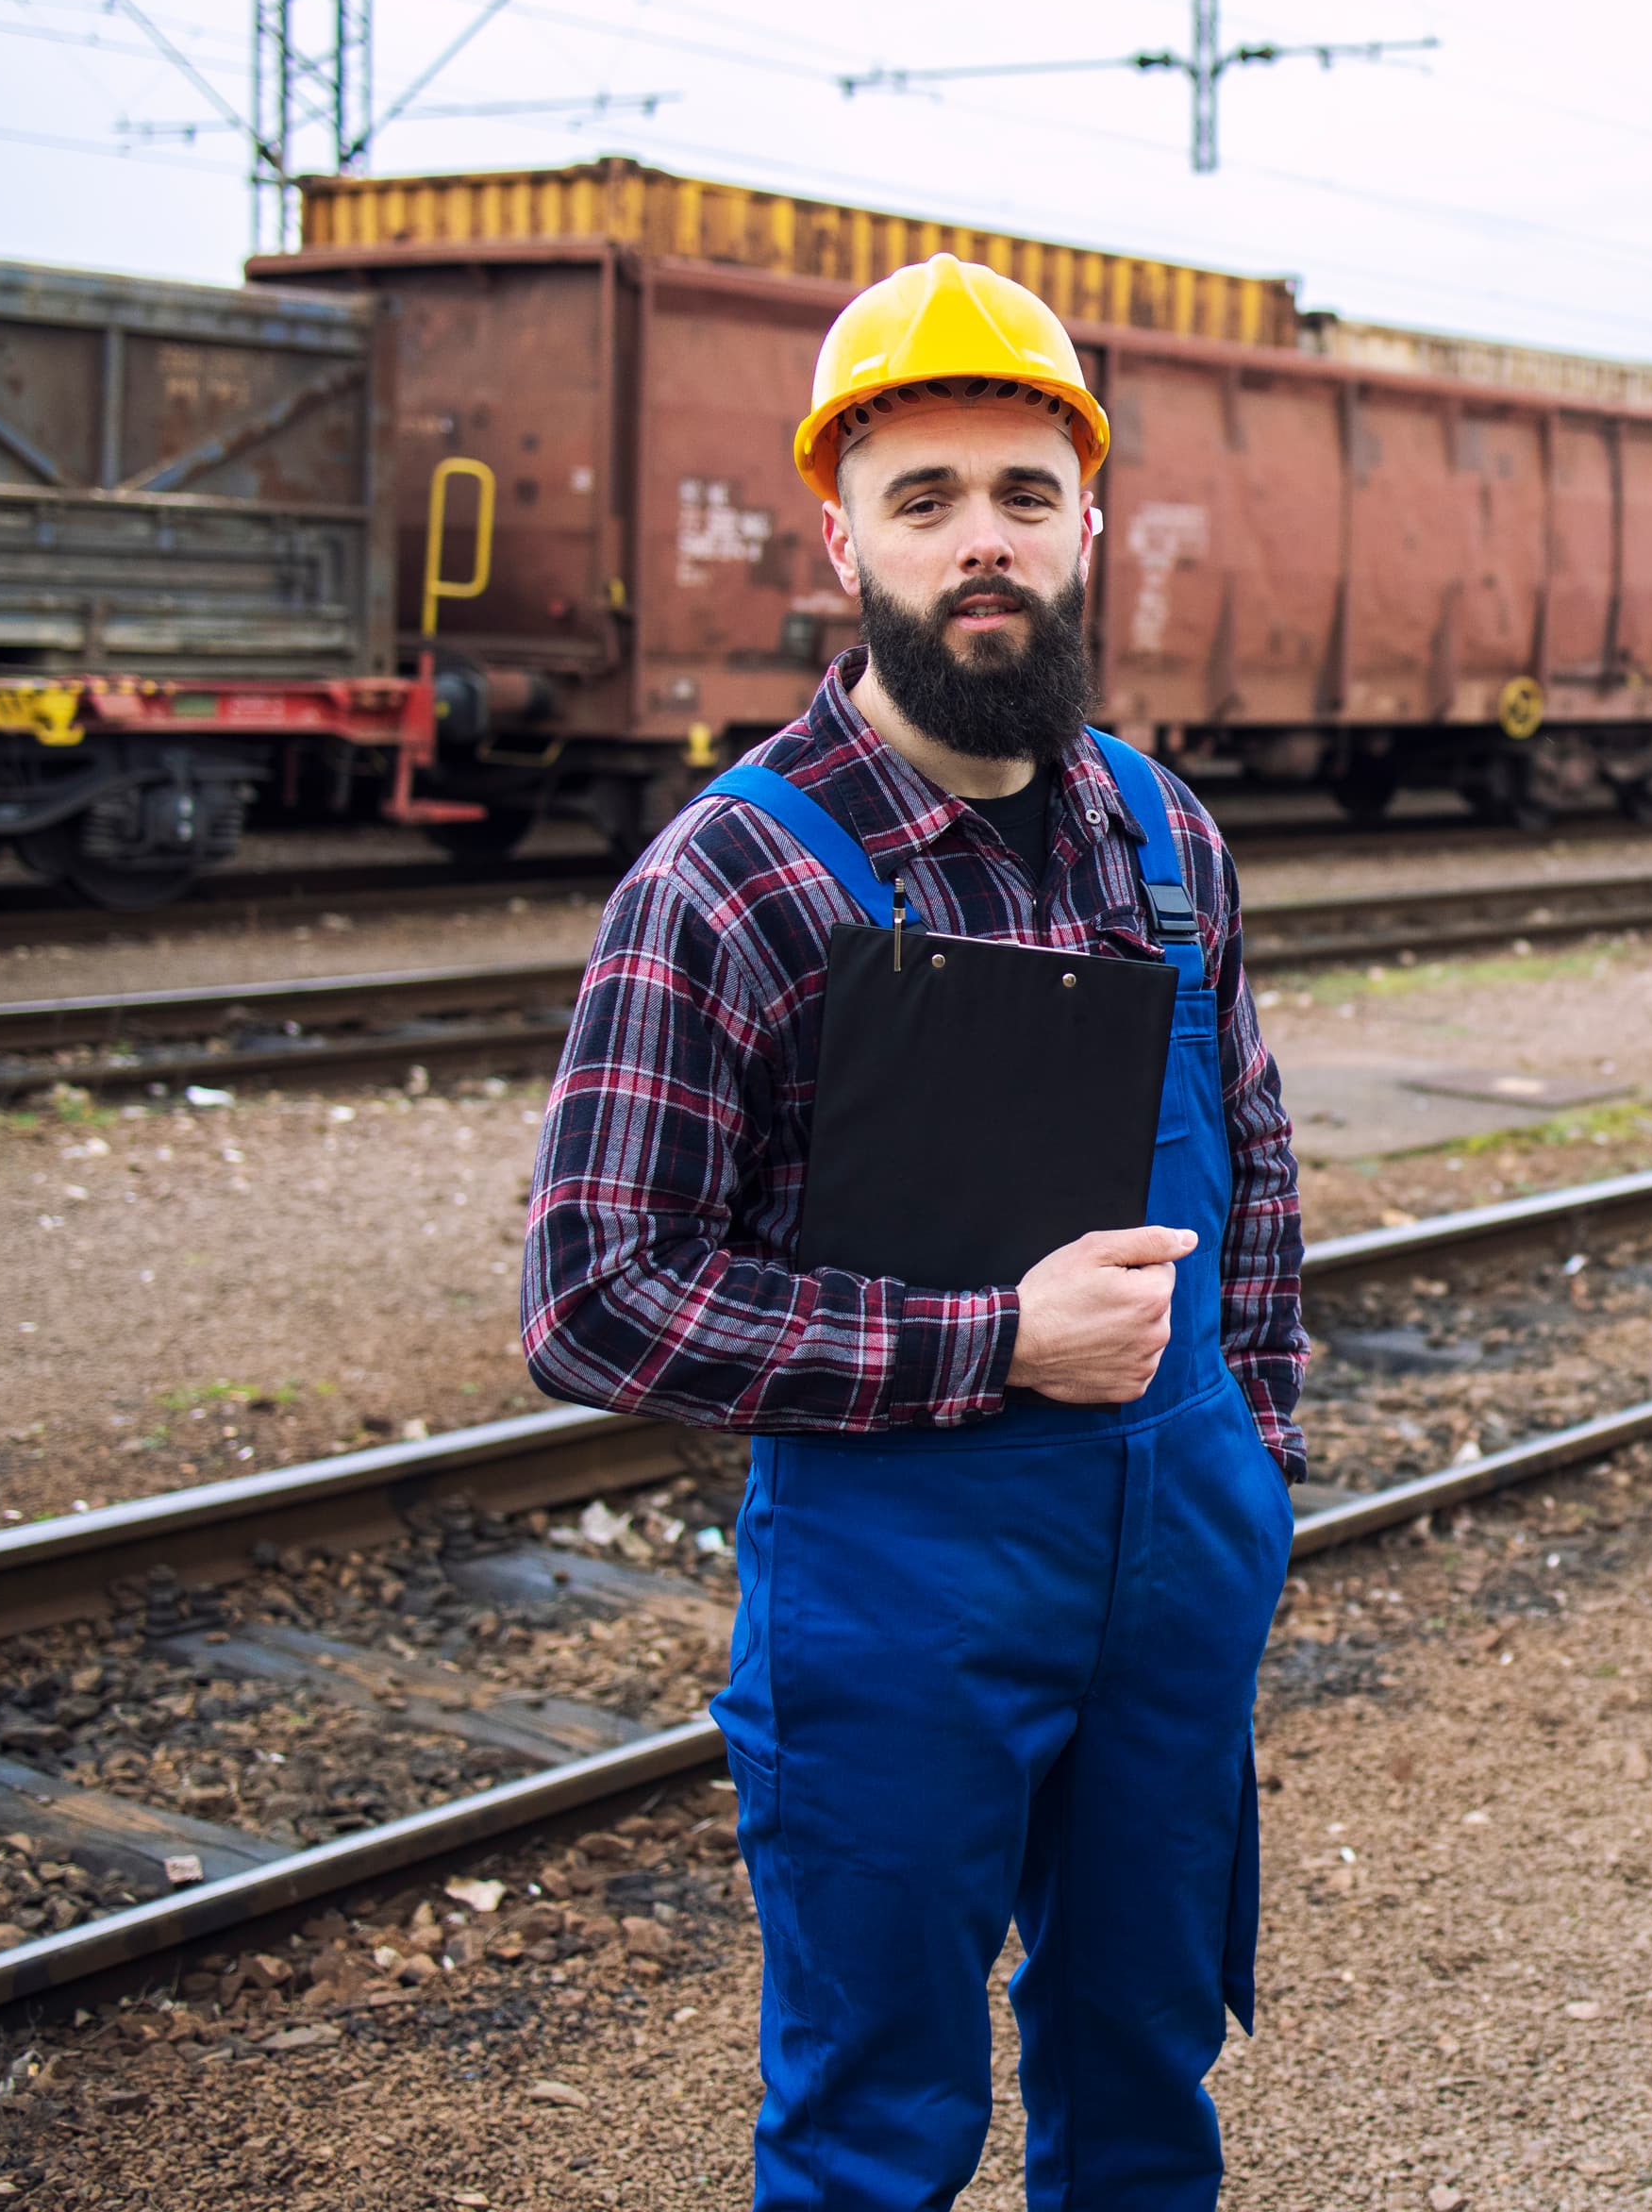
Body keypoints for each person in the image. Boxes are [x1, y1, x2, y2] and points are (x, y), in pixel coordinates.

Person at [519, 252, 1306, 2212]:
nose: (984, 544)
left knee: (1146, 2071)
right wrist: (991, 1344)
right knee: (877, 2125)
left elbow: (1262, 1166)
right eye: (926, 496)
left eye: (1025, 495)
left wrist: (1256, 1462)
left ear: (1090, 523)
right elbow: (595, 1295)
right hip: (899, 1601)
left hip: (1177, 1568)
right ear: (841, 533)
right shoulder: (735, 875)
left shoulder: (1161, 830)